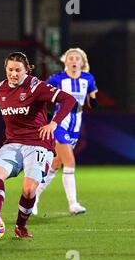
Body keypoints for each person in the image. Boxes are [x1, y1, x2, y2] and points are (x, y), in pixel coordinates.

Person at [0, 52, 76, 238]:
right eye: (10, 69)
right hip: (12, 144)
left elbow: (69, 100)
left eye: (18, 70)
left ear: (26, 70)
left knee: (29, 188)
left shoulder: (35, 86)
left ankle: (20, 226)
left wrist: (53, 123)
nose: (14, 73)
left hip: (38, 144)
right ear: (5, 69)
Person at [33, 48, 98, 216]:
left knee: (55, 164)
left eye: (77, 58)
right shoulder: (58, 79)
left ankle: (32, 197)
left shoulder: (88, 78)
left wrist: (94, 101)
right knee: (70, 161)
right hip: (60, 122)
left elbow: (92, 97)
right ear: (65, 61)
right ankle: (73, 204)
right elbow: (42, 92)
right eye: (70, 58)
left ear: (82, 62)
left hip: (76, 123)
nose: (74, 61)